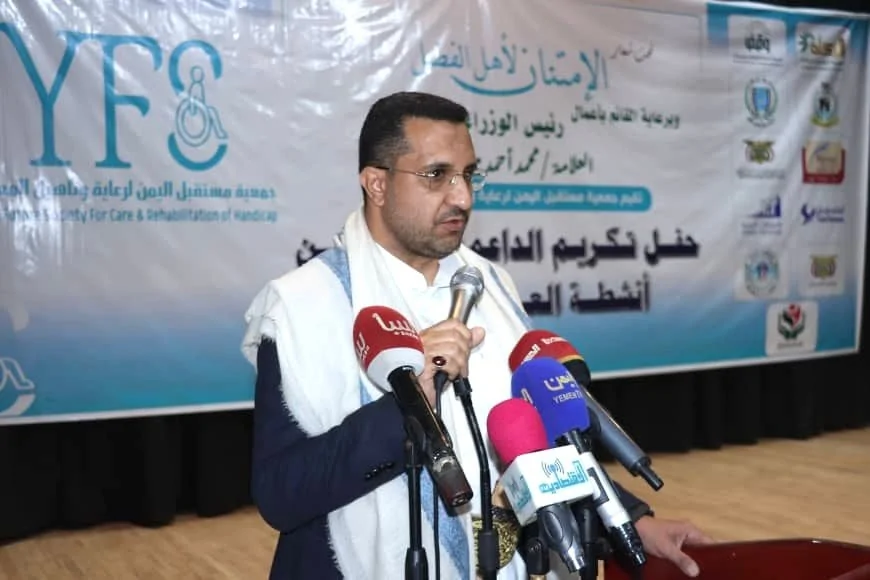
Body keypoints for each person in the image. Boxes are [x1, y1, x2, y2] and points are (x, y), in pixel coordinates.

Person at [241, 91, 713, 580]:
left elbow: (533, 440)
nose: (463, 197)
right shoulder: (304, 306)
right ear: (377, 184)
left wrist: (630, 521)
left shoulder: (490, 284)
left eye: (468, 175)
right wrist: (407, 406)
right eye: (437, 175)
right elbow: (281, 493)